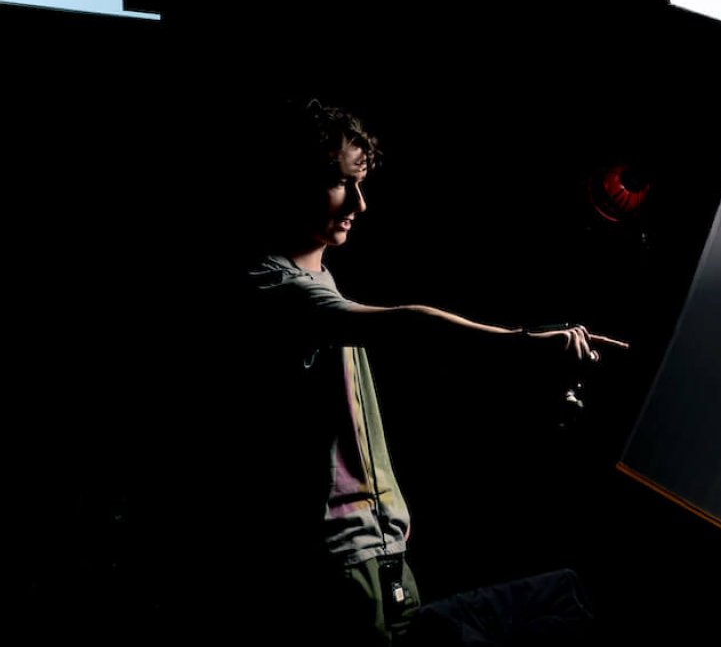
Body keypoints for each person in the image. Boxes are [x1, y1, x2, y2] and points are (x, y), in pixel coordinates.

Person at [238, 99, 624, 644]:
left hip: (384, 548)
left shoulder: (321, 280)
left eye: (361, 184)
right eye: (341, 183)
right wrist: (529, 345)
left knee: (570, 596)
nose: (360, 204)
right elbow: (412, 325)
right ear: (290, 180)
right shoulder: (269, 285)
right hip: (340, 563)